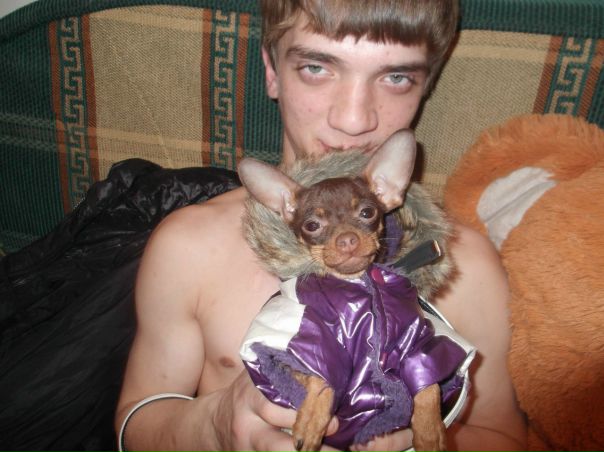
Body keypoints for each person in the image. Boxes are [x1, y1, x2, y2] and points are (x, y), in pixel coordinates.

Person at [115, 1, 528, 451]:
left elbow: (503, 437)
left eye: (395, 77)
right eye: (317, 67)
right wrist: (213, 424)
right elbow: (135, 425)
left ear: (425, 85)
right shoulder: (190, 245)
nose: (353, 120)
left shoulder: (467, 265)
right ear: (272, 70)